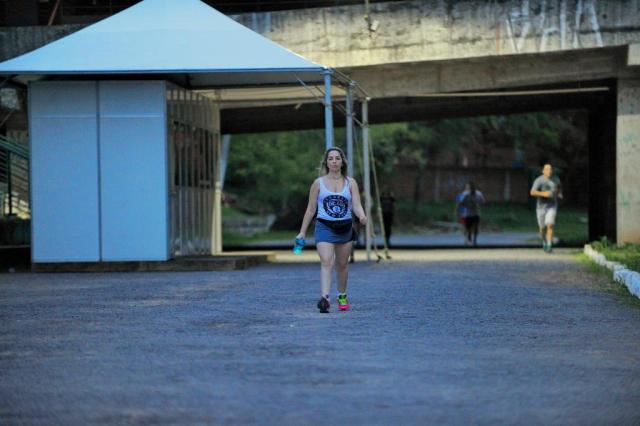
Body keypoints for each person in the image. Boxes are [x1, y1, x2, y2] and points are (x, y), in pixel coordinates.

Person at [296, 147, 367, 313]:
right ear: (326, 162)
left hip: (345, 227)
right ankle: (325, 298)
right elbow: (310, 209)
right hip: (324, 226)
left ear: (342, 162)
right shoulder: (318, 183)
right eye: (331, 159)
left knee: (342, 264)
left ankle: (342, 295)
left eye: (337, 158)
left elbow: (356, 204)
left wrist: (362, 216)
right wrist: (302, 231)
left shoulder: (351, 183)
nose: (334, 161)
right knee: (326, 261)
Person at [530, 163, 563, 253]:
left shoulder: (556, 179)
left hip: (552, 205)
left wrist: (560, 194)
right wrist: (544, 194)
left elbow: (559, 187)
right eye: (547, 169)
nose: (549, 171)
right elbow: (532, 192)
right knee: (542, 228)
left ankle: (549, 245)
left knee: (550, 224)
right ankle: (544, 241)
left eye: (551, 169)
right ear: (543, 171)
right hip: (541, 207)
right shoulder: (539, 180)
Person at [458, 181, 485, 246]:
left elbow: (483, 201)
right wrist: (466, 206)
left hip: (476, 213)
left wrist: (478, 203)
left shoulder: (479, 194)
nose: (471, 190)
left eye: (472, 188)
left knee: (476, 227)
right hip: (467, 214)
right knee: (468, 228)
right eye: (469, 188)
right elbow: (461, 203)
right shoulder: (465, 194)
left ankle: (474, 239)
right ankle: (468, 236)